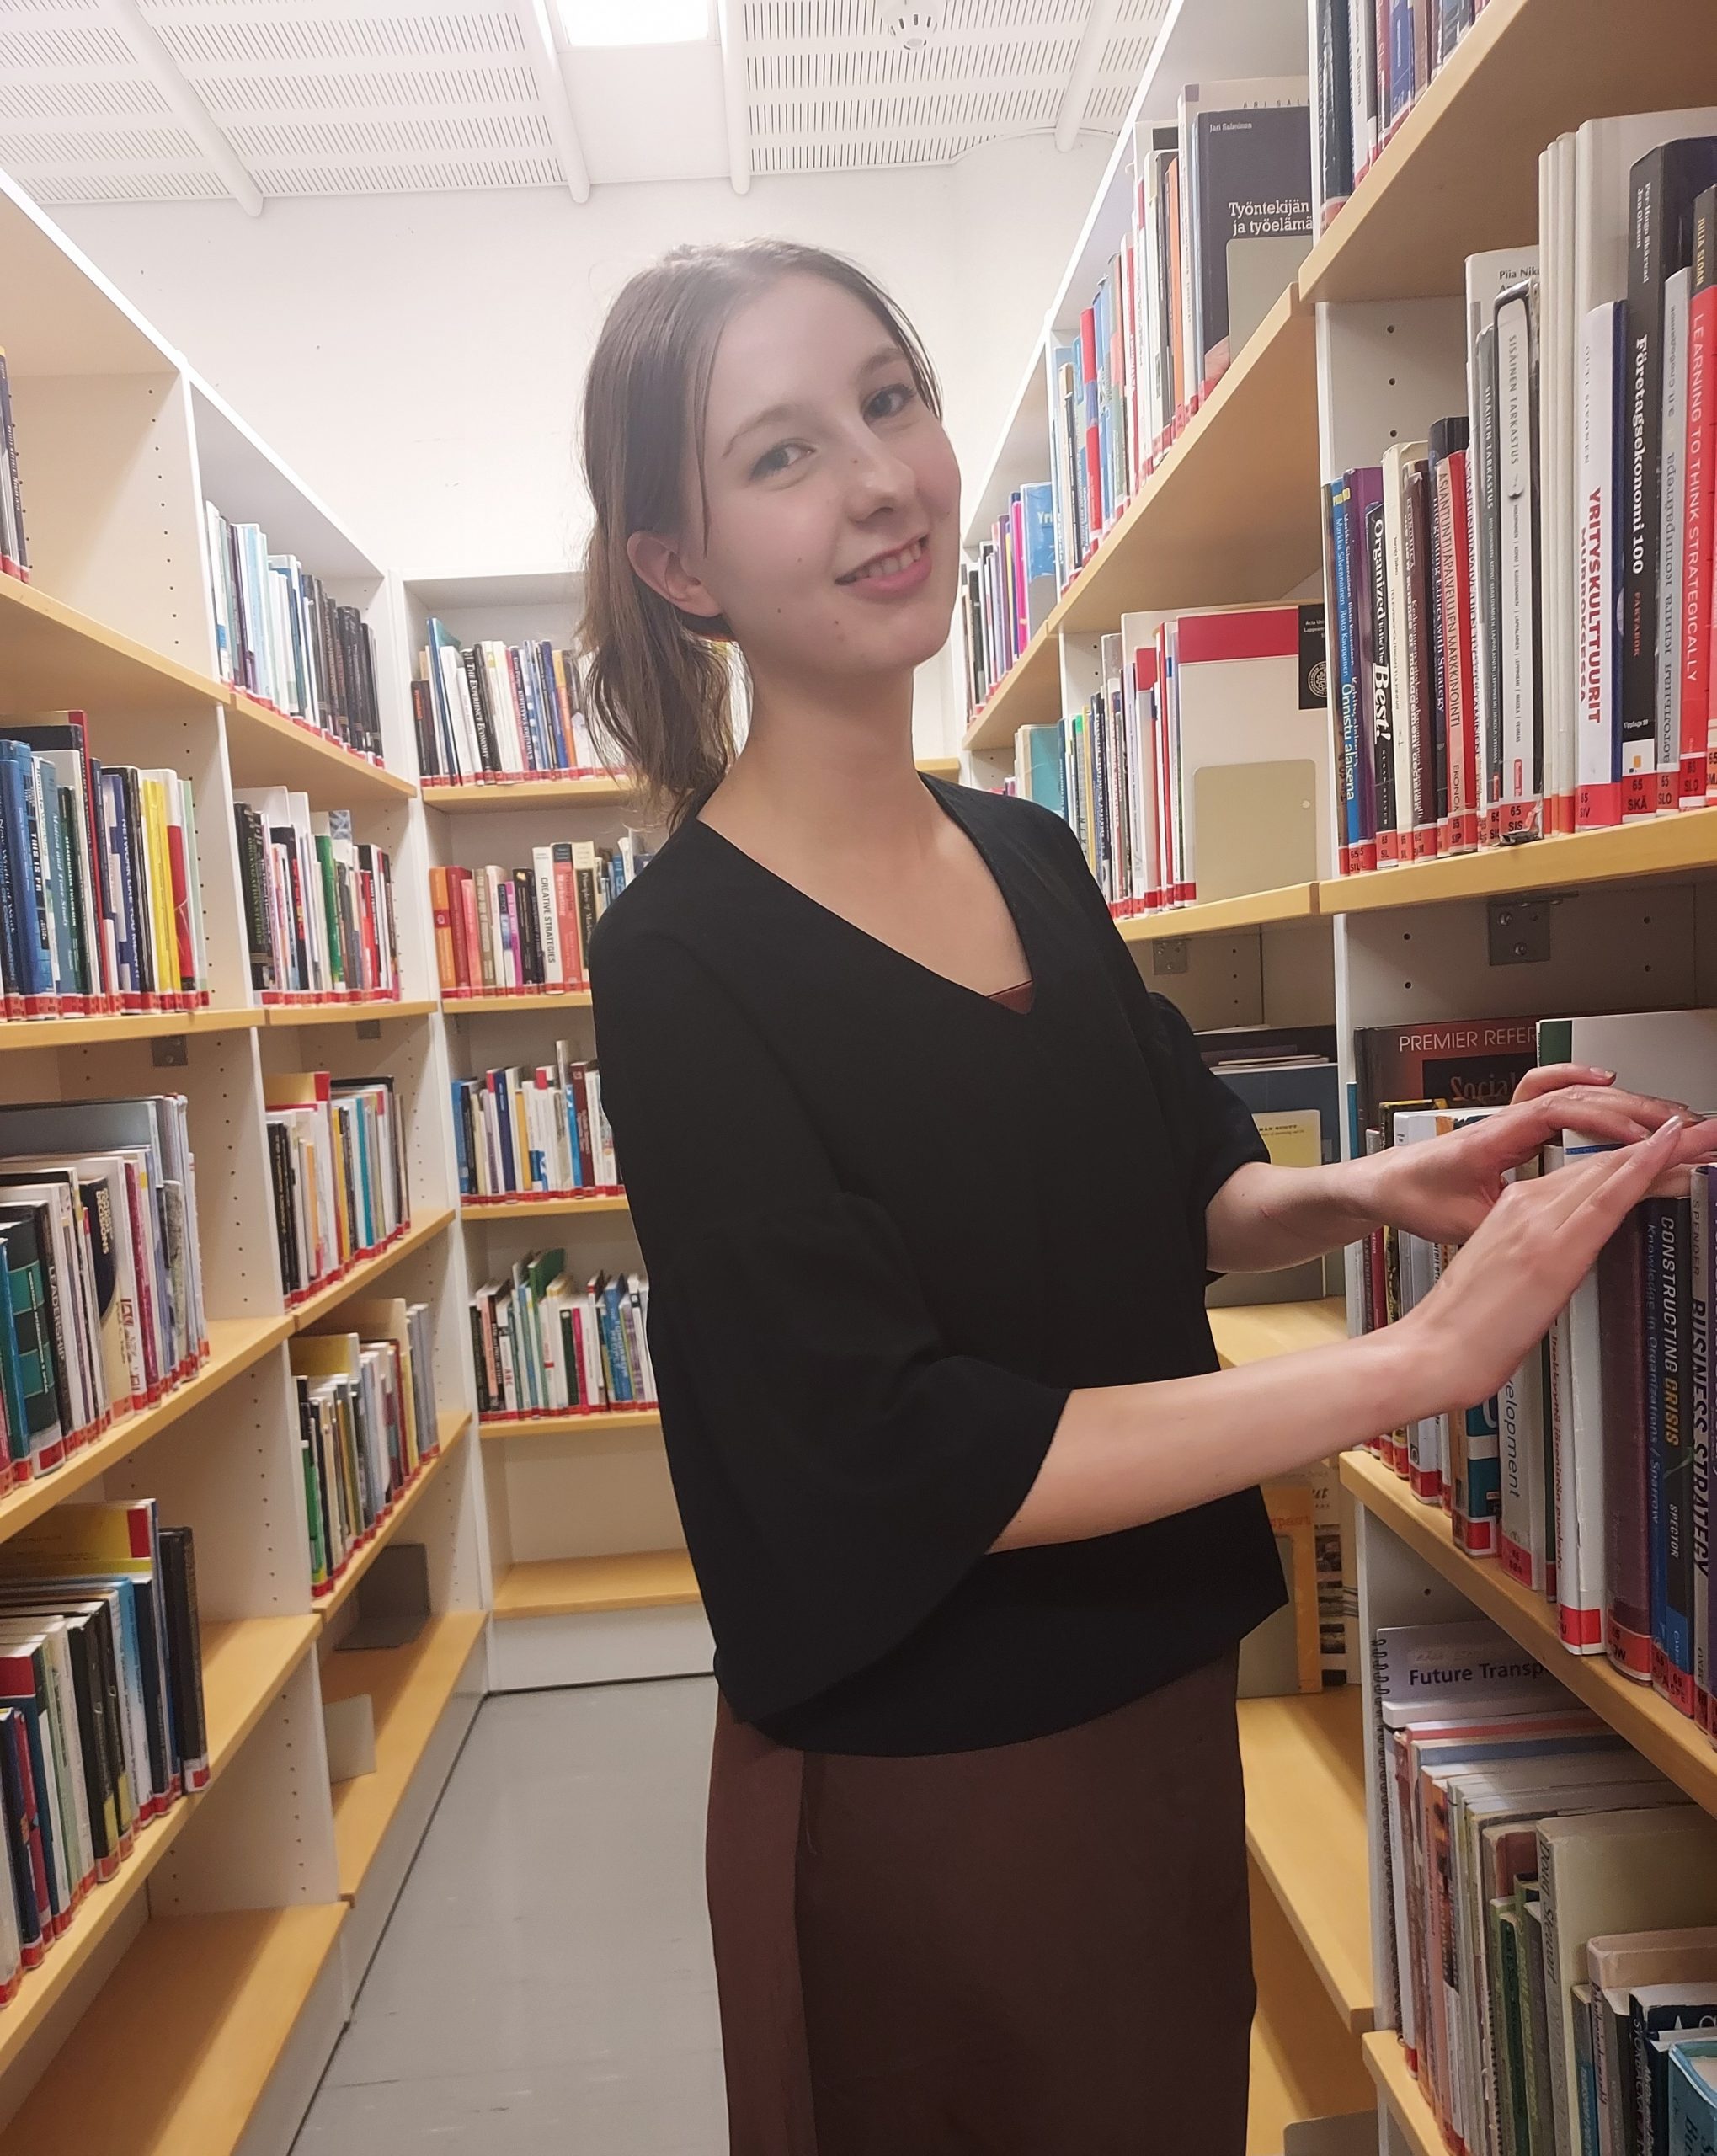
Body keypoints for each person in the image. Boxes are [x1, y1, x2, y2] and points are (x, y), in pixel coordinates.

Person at [578, 238, 1705, 2156]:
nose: (878, 480)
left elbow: (1169, 1186)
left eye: (889, 398)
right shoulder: (681, 962)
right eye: (779, 455)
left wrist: (1378, 1188)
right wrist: (1419, 1361)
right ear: (680, 566)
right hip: (934, 1781)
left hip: (1161, 1703)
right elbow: (905, 1451)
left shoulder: (1028, 846)